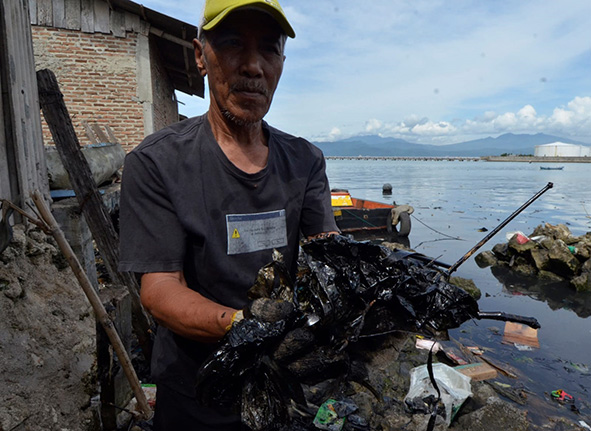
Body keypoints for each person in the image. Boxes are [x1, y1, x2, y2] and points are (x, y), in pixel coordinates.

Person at [118, 0, 339, 429]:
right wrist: (241, 323)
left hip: (284, 383)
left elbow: (327, 257)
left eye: (269, 49)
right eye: (233, 43)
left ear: (282, 63)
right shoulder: (156, 163)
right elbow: (160, 289)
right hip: (197, 388)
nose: (253, 66)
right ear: (201, 55)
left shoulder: (305, 160)